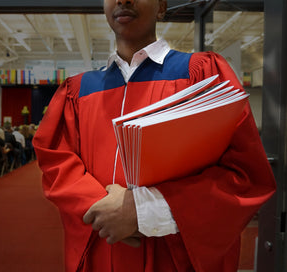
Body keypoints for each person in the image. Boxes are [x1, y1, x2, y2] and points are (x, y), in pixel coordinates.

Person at [33, 0, 276, 271]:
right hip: (103, 250)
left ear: (161, 7)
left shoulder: (201, 75)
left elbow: (244, 176)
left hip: (175, 257)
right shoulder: (78, 92)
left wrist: (143, 212)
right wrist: (102, 209)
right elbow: (57, 162)